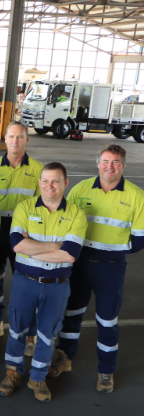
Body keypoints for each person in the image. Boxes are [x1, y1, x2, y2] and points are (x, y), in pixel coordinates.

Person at [50, 144, 144, 393]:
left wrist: (111, 250)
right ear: (97, 163)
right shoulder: (80, 189)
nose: (109, 166)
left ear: (123, 165)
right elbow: (65, 223)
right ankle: (64, 358)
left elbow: (139, 239)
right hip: (80, 265)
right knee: (72, 313)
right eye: (105, 161)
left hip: (110, 268)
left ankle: (106, 371)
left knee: (107, 320)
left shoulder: (137, 196)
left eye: (115, 162)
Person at [0, 163, 86, 402]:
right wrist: (55, 246)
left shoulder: (76, 214)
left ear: (65, 183)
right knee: (17, 328)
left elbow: (70, 255)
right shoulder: (24, 208)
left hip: (57, 285)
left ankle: (38, 377)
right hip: (25, 282)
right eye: (45, 180)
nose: (50, 186)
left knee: (48, 333)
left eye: (56, 181)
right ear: (39, 182)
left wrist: (32, 249)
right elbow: (17, 244)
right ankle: (12, 373)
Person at [0, 122, 43, 346]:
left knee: (27, 282)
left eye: (20, 137)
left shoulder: (38, 170)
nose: (15, 141)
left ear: (27, 140)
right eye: (11, 137)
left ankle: (29, 331)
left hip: (25, 234)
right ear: (4, 139)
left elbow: (42, 207)